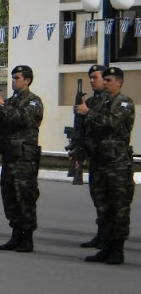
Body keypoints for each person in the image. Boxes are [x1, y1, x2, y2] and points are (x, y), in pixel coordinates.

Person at [82, 67, 135, 265]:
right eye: (104, 80)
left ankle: (117, 250)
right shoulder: (101, 102)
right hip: (100, 161)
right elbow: (91, 128)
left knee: (118, 207)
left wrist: (89, 113)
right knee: (103, 206)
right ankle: (105, 246)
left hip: (117, 163)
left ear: (119, 82)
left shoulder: (124, 102)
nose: (105, 83)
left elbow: (112, 123)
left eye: (109, 80)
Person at [0, 65, 43, 253]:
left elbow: (24, 119)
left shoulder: (33, 101)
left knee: (25, 197)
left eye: (17, 78)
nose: (13, 81)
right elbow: (0, 126)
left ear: (27, 80)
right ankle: (15, 234)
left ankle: (27, 238)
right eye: (12, 78)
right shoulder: (10, 101)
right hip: (10, 156)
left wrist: (2, 106)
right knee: (10, 196)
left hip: (24, 158)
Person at [73, 64, 108, 248]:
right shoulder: (92, 102)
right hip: (95, 157)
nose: (92, 81)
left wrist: (89, 113)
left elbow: (111, 124)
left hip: (111, 159)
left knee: (113, 203)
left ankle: (112, 241)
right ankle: (101, 235)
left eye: (95, 77)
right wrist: (79, 151)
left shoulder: (114, 101)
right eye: (91, 78)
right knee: (98, 199)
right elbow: (84, 131)